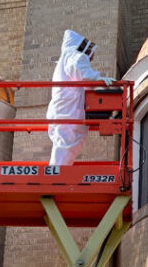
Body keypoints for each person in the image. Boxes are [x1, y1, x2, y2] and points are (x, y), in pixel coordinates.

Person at [47, 30, 115, 166]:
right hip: (69, 110)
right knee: (68, 141)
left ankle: (55, 174)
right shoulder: (75, 56)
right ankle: (55, 177)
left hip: (62, 109)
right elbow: (83, 75)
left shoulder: (64, 59)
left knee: (63, 142)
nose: (91, 57)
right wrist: (98, 79)